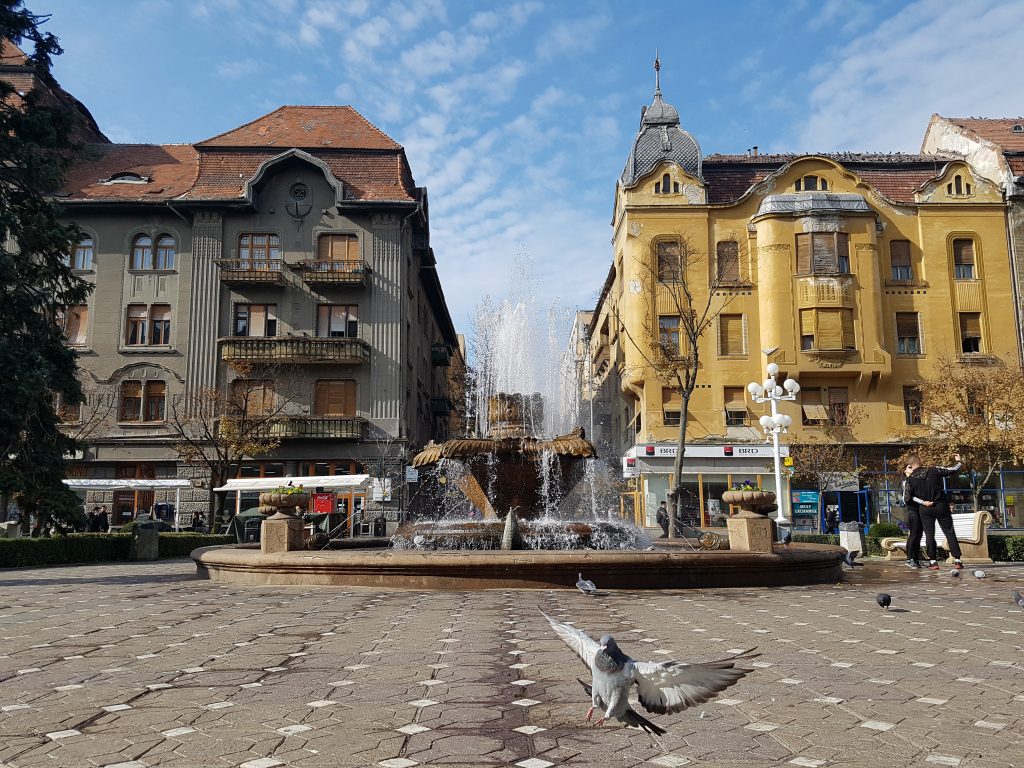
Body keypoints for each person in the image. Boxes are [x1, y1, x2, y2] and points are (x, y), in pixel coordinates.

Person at [905, 453, 964, 570]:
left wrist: (923, 502)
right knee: (949, 532)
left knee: (929, 535)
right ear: (920, 460)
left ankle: (933, 561)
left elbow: (908, 497)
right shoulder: (933, 470)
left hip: (925, 509)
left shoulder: (910, 480)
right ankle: (957, 560)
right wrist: (959, 462)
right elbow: (952, 471)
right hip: (941, 505)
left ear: (911, 466)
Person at [901, 464, 924, 569]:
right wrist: (923, 502)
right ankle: (909, 559)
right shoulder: (906, 481)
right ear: (905, 470)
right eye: (909, 467)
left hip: (919, 510)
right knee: (914, 535)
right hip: (911, 510)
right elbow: (907, 498)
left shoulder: (916, 481)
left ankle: (915, 558)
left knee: (918, 535)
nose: (912, 469)